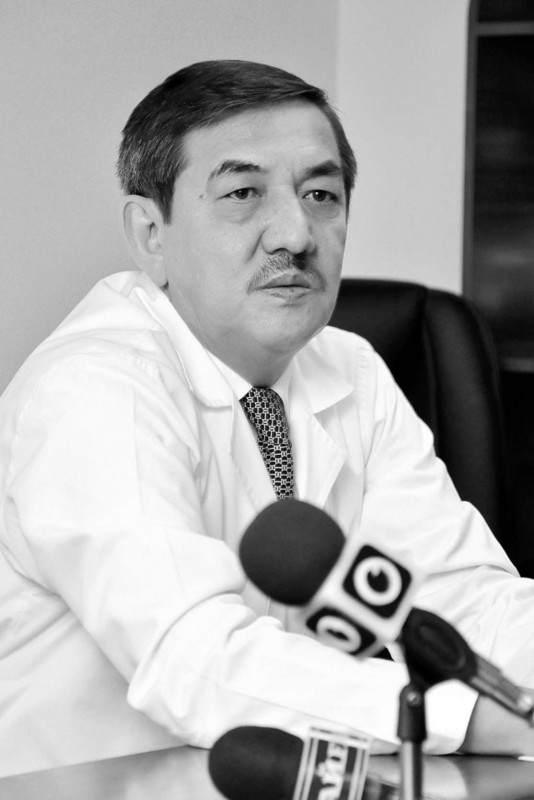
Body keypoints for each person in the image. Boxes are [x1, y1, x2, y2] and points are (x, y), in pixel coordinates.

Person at [1, 59, 534, 777]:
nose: (296, 234)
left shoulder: (349, 368)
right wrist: (470, 716)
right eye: (243, 193)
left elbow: (458, 601)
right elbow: (194, 658)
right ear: (151, 234)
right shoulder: (94, 388)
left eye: (321, 195)